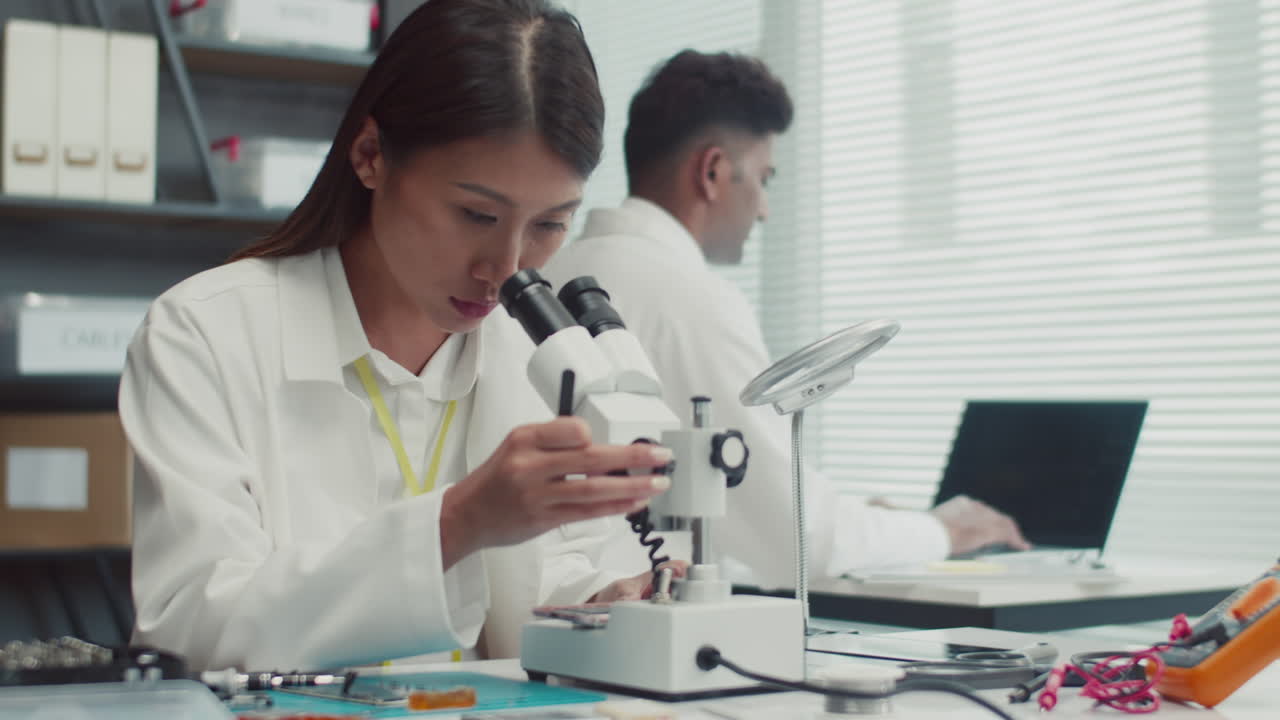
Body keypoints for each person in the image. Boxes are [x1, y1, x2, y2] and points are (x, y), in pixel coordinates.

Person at [119, 0, 675, 673]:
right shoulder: (204, 334)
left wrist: (602, 601)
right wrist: (456, 524)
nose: (506, 267)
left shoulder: (536, 357)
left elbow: (551, 570)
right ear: (371, 156)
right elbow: (192, 627)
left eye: (550, 224)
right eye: (476, 214)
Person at [544, 50, 1030, 590]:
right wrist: (940, 532)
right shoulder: (688, 295)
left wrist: (866, 519)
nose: (764, 210)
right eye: (764, 178)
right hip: (625, 620)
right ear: (713, 172)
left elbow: (744, 507)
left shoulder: (554, 268)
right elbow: (801, 540)